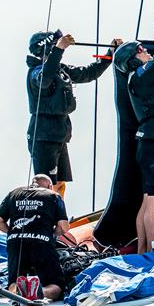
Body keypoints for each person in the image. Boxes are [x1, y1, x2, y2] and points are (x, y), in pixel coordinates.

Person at [112, 8, 154, 253]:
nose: (146, 50)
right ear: (133, 59)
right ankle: (152, 252)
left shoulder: (141, 75)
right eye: (141, 50)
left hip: (151, 142)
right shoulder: (141, 75)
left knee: (147, 198)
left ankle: (143, 250)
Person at [26, 30, 122, 199]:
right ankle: (47, 220)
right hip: (43, 136)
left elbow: (88, 73)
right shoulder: (35, 72)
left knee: (59, 183)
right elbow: (45, 80)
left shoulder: (59, 69)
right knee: (46, 184)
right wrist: (59, 49)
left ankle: (59, 218)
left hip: (59, 135)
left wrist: (110, 54)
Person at [0, 174, 69, 301]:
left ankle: (18, 294)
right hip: (42, 242)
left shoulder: (13, 193)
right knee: (57, 284)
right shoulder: (53, 195)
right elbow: (64, 226)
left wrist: (12, 233)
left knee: (14, 281)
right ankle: (40, 292)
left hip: (16, 243)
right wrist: (52, 234)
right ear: (50, 186)